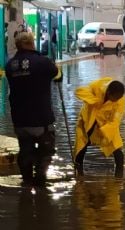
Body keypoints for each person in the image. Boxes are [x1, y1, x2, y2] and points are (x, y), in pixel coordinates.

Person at [5, 32, 61, 186]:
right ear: (31, 43)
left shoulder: (10, 65)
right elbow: (56, 73)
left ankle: (27, 185)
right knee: (46, 151)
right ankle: (41, 184)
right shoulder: (43, 62)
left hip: (20, 119)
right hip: (41, 118)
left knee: (25, 150)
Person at [73, 78, 125, 178]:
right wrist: (94, 101)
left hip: (105, 125)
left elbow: (115, 121)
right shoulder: (97, 86)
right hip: (89, 120)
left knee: (117, 149)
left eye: (118, 98)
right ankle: (78, 173)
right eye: (114, 98)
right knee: (81, 146)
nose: (116, 100)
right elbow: (79, 92)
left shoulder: (120, 100)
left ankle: (119, 178)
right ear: (109, 92)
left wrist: (104, 131)